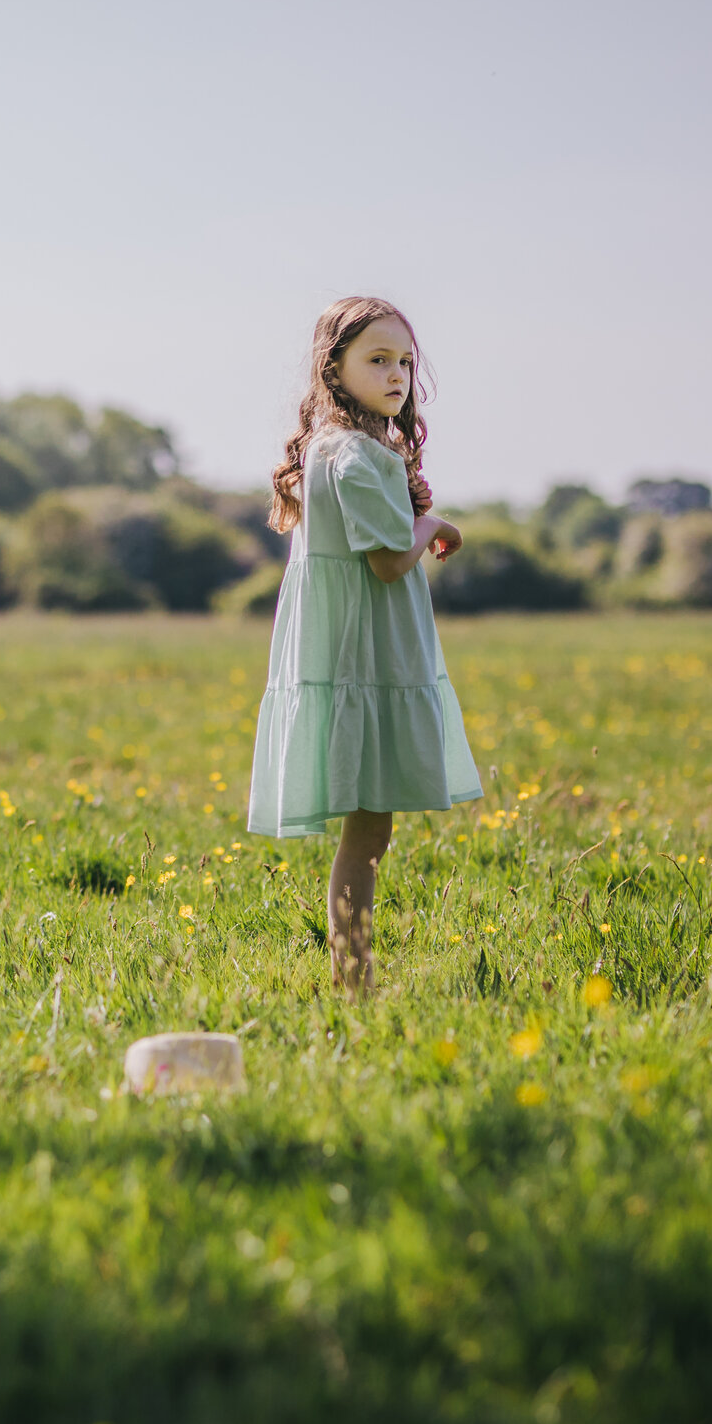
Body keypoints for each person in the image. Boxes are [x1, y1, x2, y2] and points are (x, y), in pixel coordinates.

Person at [246, 296, 482, 994]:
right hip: (365, 654)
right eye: (377, 359)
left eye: (405, 360)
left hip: (348, 648)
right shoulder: (356, 455)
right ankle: (354, 981)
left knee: (368, 827)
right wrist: (435, 524)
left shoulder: (338, 447)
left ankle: (356, 975)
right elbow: (386, 561)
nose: (397, 374)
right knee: (368, 830)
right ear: (334, 369)